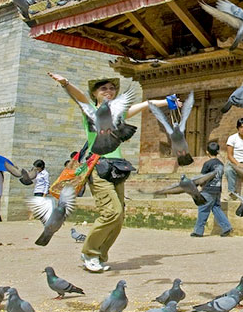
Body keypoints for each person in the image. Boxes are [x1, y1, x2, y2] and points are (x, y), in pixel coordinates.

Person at [48, 72, 175, 273]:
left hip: (117, 168)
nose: (109, 91)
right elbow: (80, 96)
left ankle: (99, 255)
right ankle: (89, 252)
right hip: (99, 167)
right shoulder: (91, 111)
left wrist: (167, 102)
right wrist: (66, 83)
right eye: (103, 89)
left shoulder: (118, 114)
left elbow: (145, 105)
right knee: (111, 212)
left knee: (119, 217)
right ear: (95, 94)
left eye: (112, 88)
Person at [191, 141, 233, 237]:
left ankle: (198, 231)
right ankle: (226, 227)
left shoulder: (207, 164)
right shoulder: (221, 164)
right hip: (217, 190)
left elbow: (202, 178)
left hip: (207, 190)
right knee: (216, 208)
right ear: (217, 152)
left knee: (203, 209)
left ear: (207, 152)